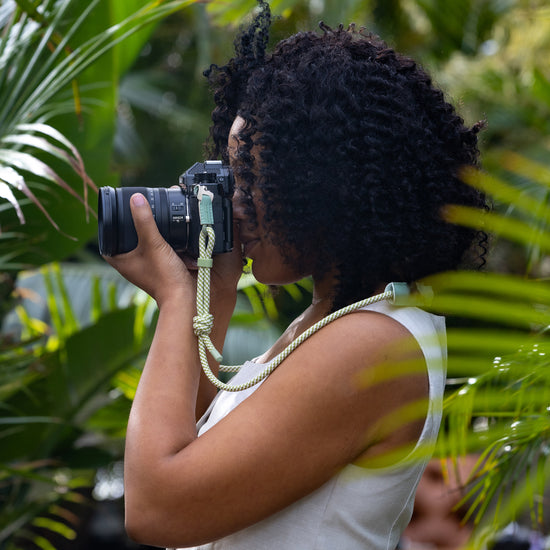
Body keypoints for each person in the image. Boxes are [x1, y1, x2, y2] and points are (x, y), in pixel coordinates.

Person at [104, 2, 487, 548]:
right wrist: (210, 291)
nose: (236, 203)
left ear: (325, 185)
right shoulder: (337, 321)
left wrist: (174, 301)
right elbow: (185, 444)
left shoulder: (371, 344)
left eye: (253, 178)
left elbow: (156, 509)